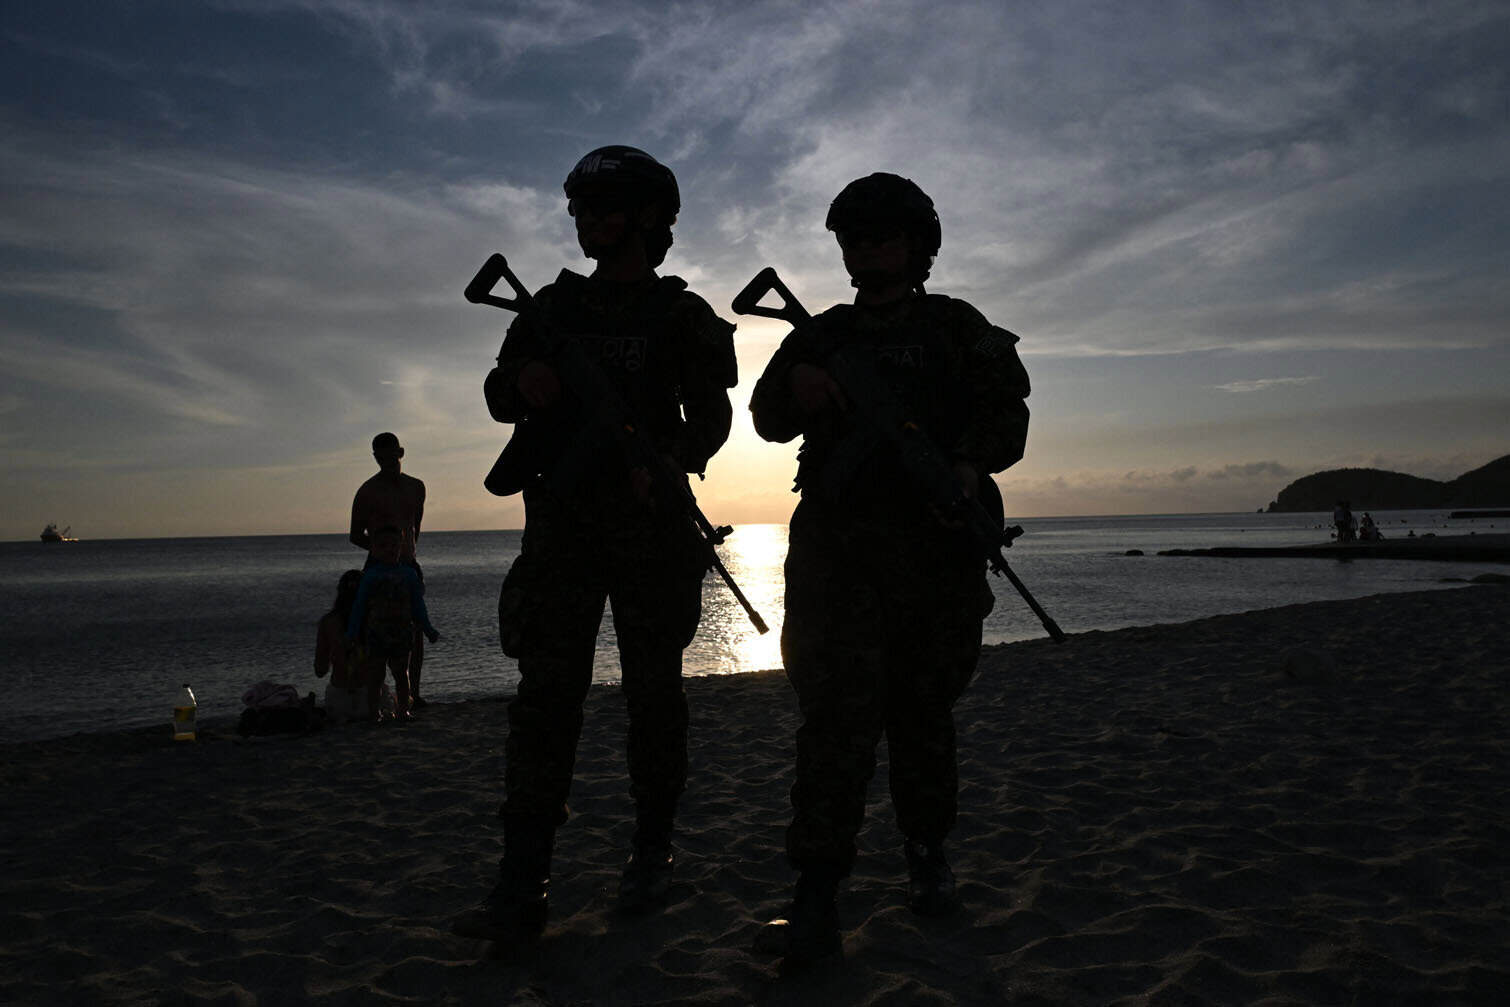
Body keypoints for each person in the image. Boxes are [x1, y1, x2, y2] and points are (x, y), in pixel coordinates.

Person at [452, 145, 737, 944]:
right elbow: (498, 392)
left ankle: (651, 855)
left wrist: (674, 461)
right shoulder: (550, 308)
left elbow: (712, 416)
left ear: (646, 217)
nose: (583, 222)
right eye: (578, 209)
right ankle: (522, 882)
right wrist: (526, 383)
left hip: (650, 533)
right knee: (545, 705)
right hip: (564, 533)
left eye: (600, 207)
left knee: (655, 701)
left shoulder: (682, 315)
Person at [747, 172, 1032, 964]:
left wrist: (970, 464)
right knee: (832, 724)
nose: (868, 248)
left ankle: (926, 852)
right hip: (837, 557)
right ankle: (815, 888)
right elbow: (766, 416)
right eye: (855, 236)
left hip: (932, 554)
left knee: (922, 714)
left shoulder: (955, 328)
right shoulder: (820, 332)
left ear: (917, 245)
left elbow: (1008, 408)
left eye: (885, 234)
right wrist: (799, 386)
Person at [349, 432, 430, 707]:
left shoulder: (417, 487)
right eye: (380, 457)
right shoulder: (367, 491)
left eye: (390, 455)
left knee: (414, 629)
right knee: (378, 630)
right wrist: (381, 550)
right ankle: (376, 695)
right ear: (375, 458)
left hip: (407, 564)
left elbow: (414, 528)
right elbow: (355, 534)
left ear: (401, 453)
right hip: (378, 567)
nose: (385, 461)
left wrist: (404, 555)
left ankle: (412, 694)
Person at [346, 525, 440, 722]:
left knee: (401, 673)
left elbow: (418, 605)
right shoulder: (370, 576)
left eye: (394, 545)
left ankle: (403, 710)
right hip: (376, 632)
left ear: (401, 547)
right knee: (376, 675)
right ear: (374, 549)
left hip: (402, 632)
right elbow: (359, 605)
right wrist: (352, 632)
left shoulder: (408, 575)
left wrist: (428, 628)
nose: (389, 549)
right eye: (383, 546)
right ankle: (374, 712)